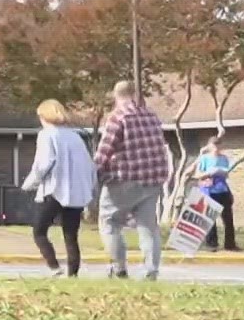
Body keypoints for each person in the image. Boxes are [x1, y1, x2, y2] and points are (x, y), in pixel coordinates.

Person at [93, 80, 173, 280]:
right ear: (135, 93)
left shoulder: (118, 117)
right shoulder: (151, 116)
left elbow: (104, 151)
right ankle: (151, 270)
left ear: (115, 95)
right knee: (148, 226)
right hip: (153, 178)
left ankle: (119, 268)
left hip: (125, 178)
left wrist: (92, 172)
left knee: (109, 221)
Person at [21, 99, 97, 277]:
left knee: (39, 231)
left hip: (54, 190)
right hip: (76, 193)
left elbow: (43, 164)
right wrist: (89, 187)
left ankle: (54, 267)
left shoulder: (47, 135)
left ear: (44, 116)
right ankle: (73, 274)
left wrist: (30, 183)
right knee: (71, 234)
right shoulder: (76, 137)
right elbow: (88, 165)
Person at [195, 137, 240, 251]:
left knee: (228, 219)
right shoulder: (204, 159)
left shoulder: (224, 158)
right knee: (210, 220)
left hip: (223, 190)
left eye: (218, 145)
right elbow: (197, 175)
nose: (216, 148)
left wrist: (222, 172)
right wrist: (208, 174)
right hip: (209, 191)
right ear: (209, 146)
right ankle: (211, 244)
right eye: (214, 145)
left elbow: (226, 173)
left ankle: (230, 244)